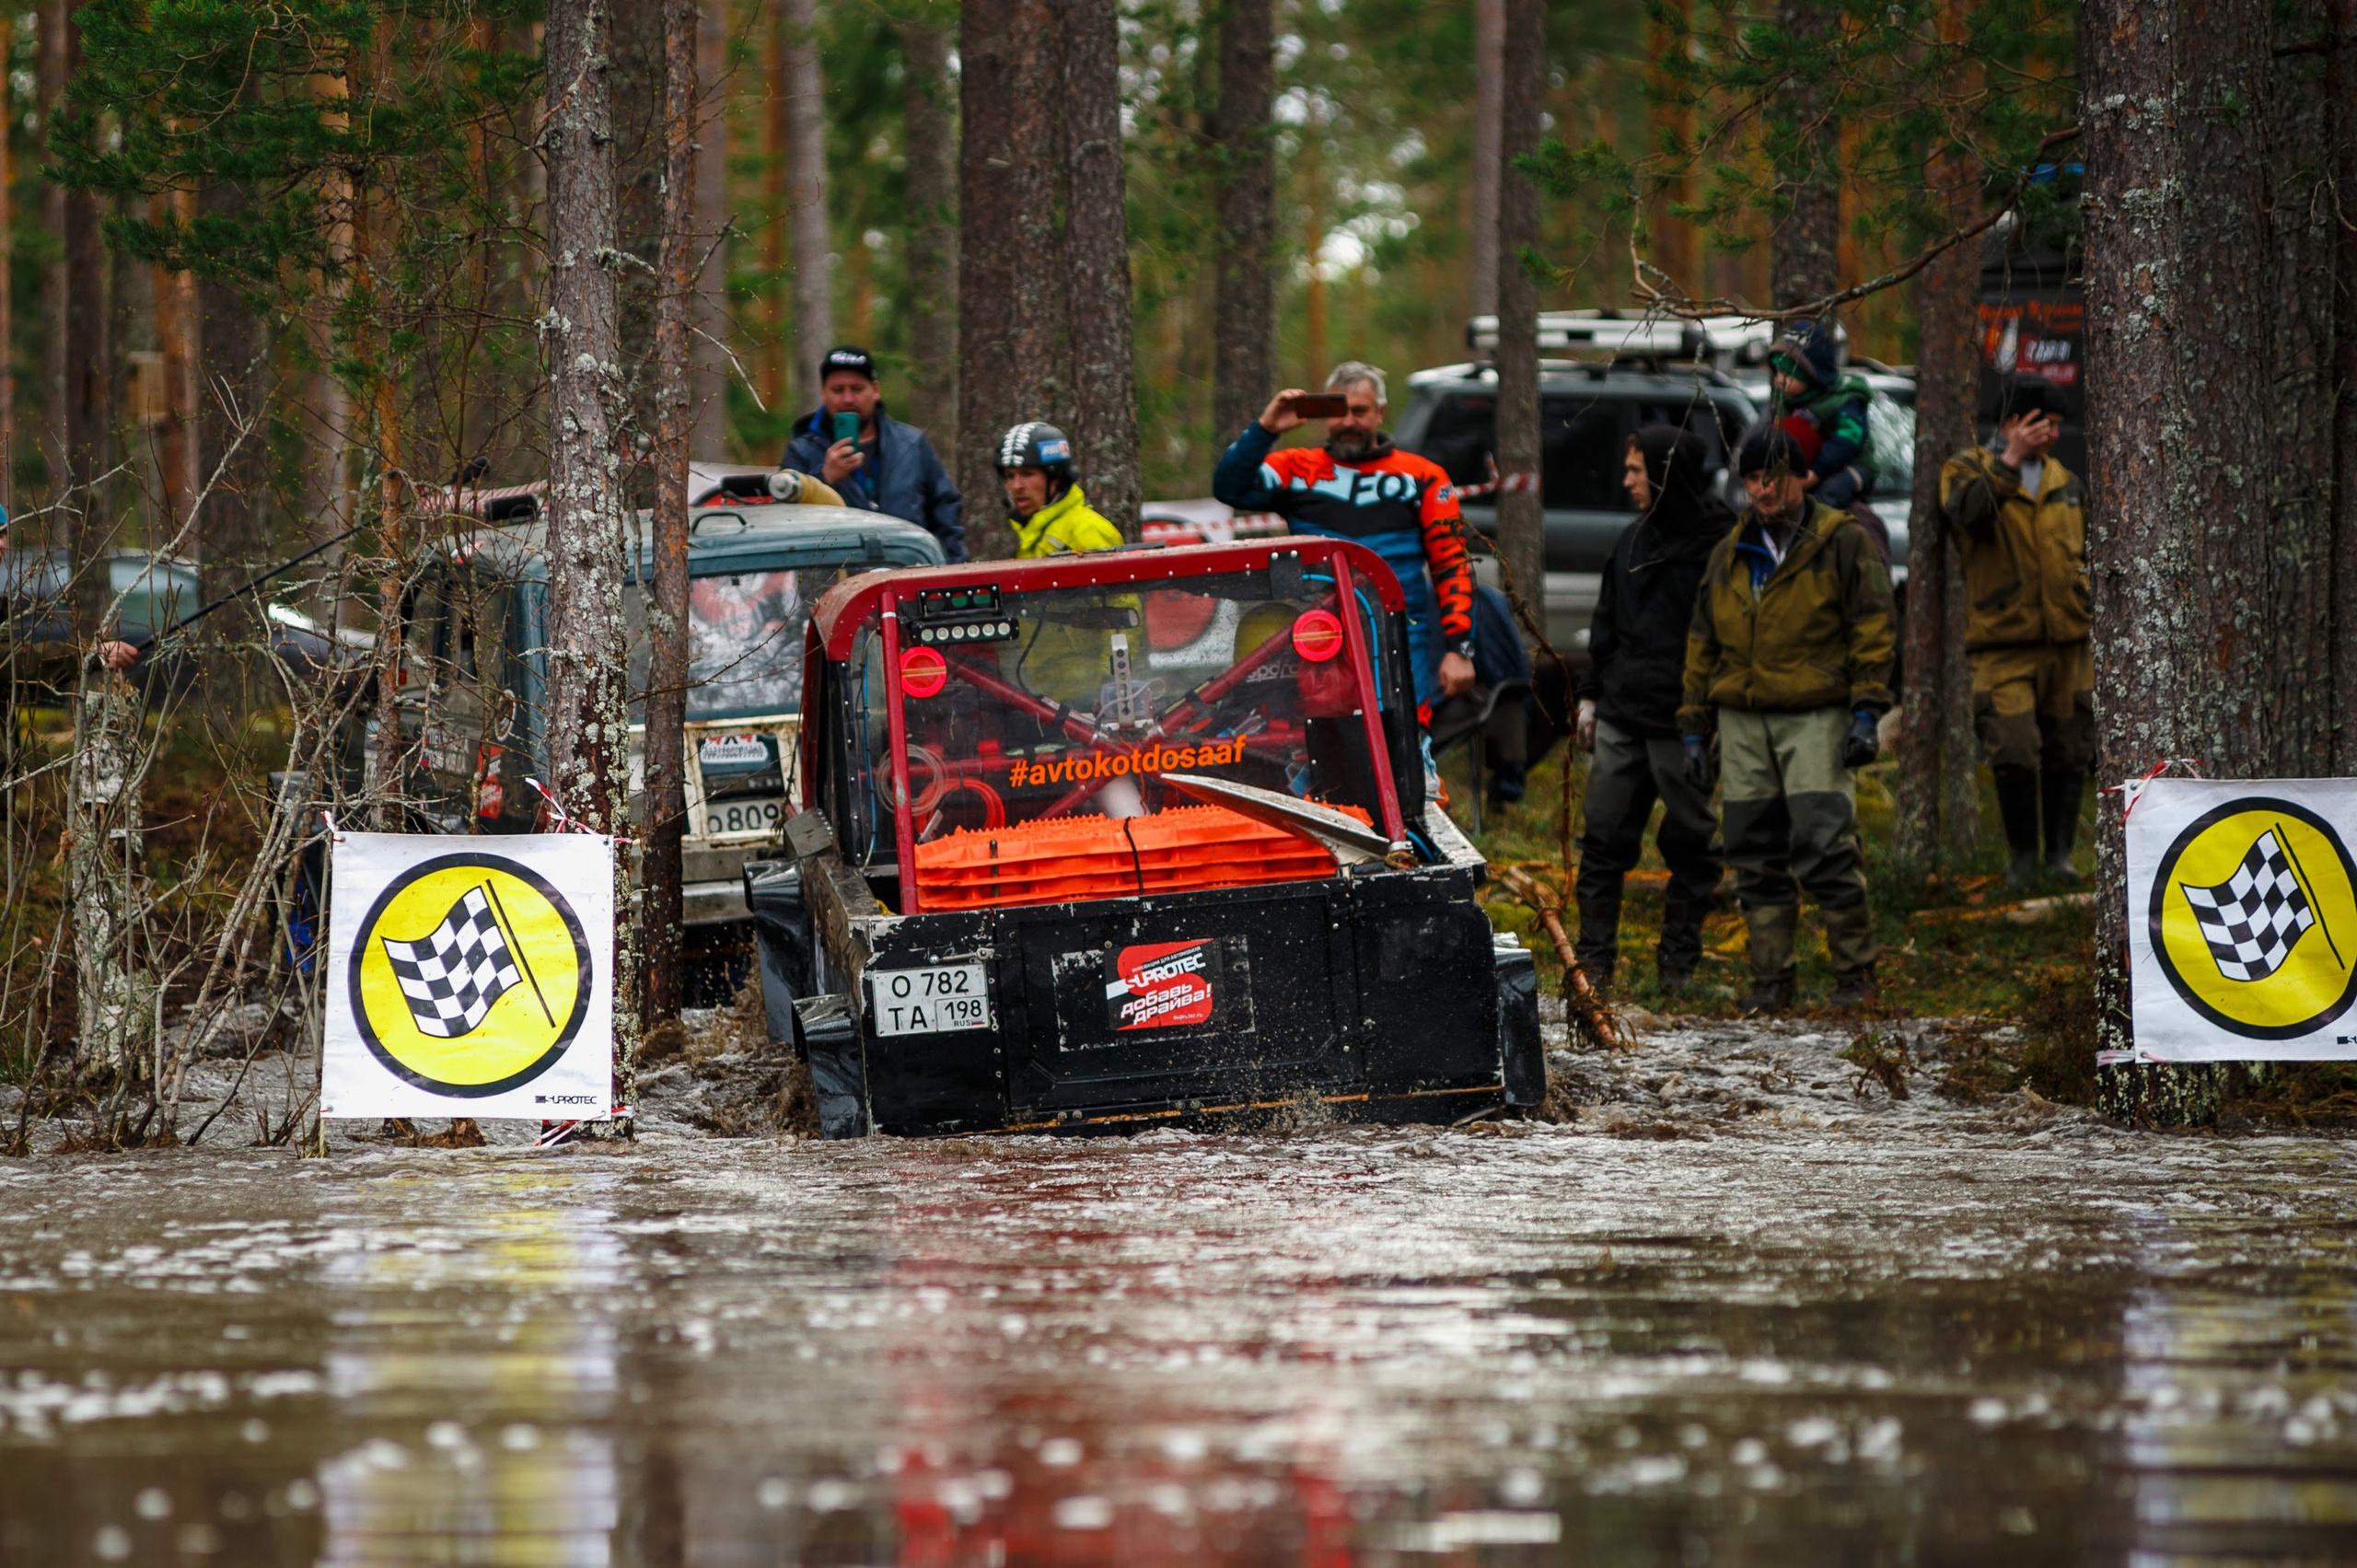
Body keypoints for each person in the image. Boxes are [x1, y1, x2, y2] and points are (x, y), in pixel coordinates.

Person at [1679, 428, 1895, 1013]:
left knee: (1826, 844)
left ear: (1801, 476)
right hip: (1743, 718)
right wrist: (1695, 728)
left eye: (1772, 476)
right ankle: (1771, 981)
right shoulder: (1729, 552)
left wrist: (1867, 711)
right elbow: (1702, 642)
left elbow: (1873, 625)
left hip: (1815, 712)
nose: (1762, 489)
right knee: (1752, 849)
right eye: (1752, 479)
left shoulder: (1842, 540)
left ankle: (1855, 977)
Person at [1211, 362, 1476, 707]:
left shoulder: (1423, 476)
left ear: (1380, 412)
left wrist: (1460, 649)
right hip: (1318, 630)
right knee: (1325, 738)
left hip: (1400, 631)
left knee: (1403, 740)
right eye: (1339, 411)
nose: (1348, 421)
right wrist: (1265, 429)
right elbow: (1228, 487)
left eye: (1360, 411)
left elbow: (1451, 563)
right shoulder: (1295, 468)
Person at [1573, 426, 1732, 993]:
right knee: (1602, 843)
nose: (1627, 482)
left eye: (1637, 470)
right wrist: (1591, 697)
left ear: (1667, 475)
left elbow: (1731, 638)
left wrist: (1716, 716)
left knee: (1692, 845)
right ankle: (1593, 965)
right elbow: (1606, 622)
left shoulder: (1721, 544)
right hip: (1622, 717)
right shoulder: (1630, 541)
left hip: (1684, 724)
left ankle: (1678, 967)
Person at [1940, 374, 2091, 887]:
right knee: (2014, 747)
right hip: (2003, 642)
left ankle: (2061, 859)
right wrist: (2007, 461)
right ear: (2010, 423)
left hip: (2068, 641)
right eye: (2039, 422)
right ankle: (2022, 860)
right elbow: (1969, 517)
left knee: (2070, 747)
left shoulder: (2067, 482)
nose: (2050, 432)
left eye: (2054, 423)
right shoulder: (1966, 470)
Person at [779, 345, 966, 561]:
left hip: (909, 575)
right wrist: (825, 480)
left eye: (857, 389)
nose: (848, 399)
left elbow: (946, 513)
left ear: (875, 390)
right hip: (834, 582)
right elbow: (787, 527)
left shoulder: (911, 444)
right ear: (823, 393)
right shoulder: (801, 452)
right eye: (838, 390)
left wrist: (951, 571)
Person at [1766, 320, 1875, 511]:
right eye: (1778, 373)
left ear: (1811, 375)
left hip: (1852, 466)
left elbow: (1846, 442)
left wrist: (1817, 472)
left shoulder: (1844, 401)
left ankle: (1819, 533)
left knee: (1831, 493)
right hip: (1813, 467)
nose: (1779, 381)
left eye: (1788, 375)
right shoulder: (1787, 402)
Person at [999, 422, 1122, 557]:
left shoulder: (1087, 530)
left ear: (1055, 478)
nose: (1016, 486)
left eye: (1027, 474)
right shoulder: (1030, 535)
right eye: (1009, 476)